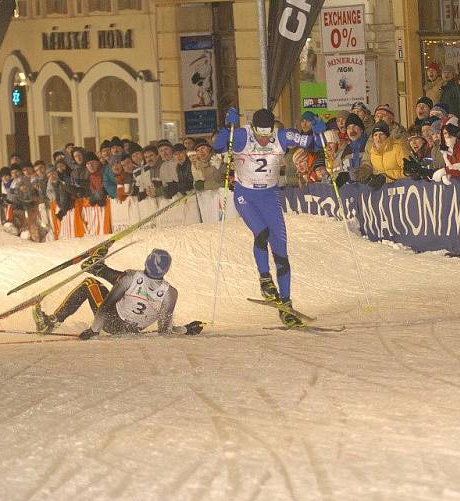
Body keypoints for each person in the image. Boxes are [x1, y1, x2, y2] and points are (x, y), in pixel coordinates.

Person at [213, 107, 322, 327]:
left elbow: (312, 144)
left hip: (270, 196)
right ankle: (265, 278)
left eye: (267, 134)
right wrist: (227, 126)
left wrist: (319, 131)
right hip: (246, 196)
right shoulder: (242, 134)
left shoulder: (282, 135)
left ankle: (286, 303)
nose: (264, 139)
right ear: (253, 128)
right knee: (261, 233)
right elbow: (217, 146)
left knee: (281, 249)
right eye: (260, 135)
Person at [33, 248, 204, 339]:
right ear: (166, 269)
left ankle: (52, 322)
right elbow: (164, 331)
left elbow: (106, 306)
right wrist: (185, 329)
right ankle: (97, 267)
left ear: (146, 262)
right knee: (126, 284)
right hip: (132, 329)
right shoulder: (170, 293)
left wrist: (94, 330)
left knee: (90, 285)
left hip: (112, 323)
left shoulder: (130, 276)